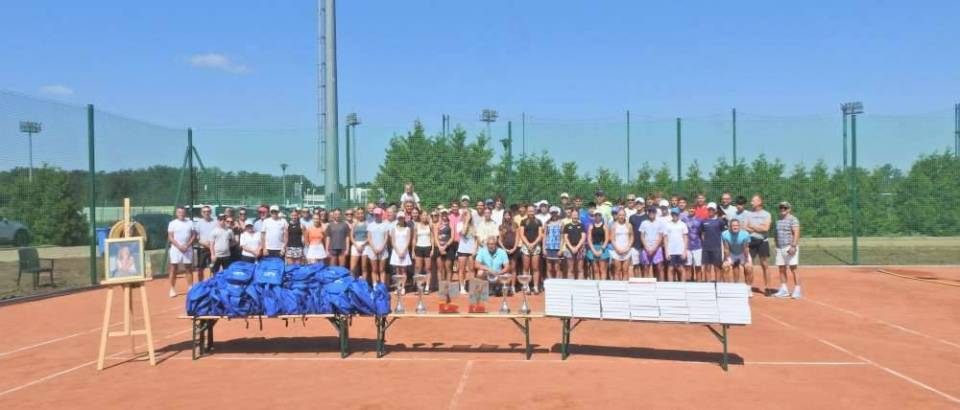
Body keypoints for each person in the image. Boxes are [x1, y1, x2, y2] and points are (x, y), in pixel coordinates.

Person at [743, 194, 773, 295]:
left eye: (753, 201)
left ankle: (768, 288)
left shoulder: (767, 214)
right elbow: (745, 227)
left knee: (764, 264)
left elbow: (766, 228)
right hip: (751, 241)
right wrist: (759, 227)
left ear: (759, 202)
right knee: (748, 264)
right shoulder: (748, 214)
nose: (751, 202)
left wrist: (752, 227)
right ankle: (748, 287)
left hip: (763, 241)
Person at [774, 201, 802, 298]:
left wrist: (793, 246)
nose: (782, 209)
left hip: (790, 247)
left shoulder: (793, 219)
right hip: (780, 248)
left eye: (785, 208)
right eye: (781, 207)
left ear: (789, 209)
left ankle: (797, 290)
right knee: (781, 268)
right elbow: (776, 234)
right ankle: (784, 290)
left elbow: (796, 233)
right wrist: (776, 246)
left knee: (793, 268)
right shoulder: (778, 220)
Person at [167, 206, 196, 297]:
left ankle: (190, 288)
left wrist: (187, 245)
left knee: (188, 268)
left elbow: (193, 235)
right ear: (176, 213)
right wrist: (179, 246)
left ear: (185, 213)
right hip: (175, 249)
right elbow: (170, 237)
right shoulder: (172, 223)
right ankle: (172, 289)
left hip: (187, 249)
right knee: (173, 268)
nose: (181, 214)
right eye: (179, 212)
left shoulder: (190, 223)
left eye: (183, 212)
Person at [722, 219, 753, 294]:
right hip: (731, 253)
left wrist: (746, 260)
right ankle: (727, 289)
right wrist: (726, 259)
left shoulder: (745, 234)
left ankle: (748, 289)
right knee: (725, 266)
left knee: (748, 267)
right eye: (733, 225)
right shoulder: (724, 234)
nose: (735, 227)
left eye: (737, 225)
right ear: (730, 226)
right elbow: (726, 248)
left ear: (740, 226)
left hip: (742, 253)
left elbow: (746, 248)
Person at [519, 206, 544, 294]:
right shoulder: (523, 221)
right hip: (526, 246)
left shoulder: (539, 221)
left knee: (535, 268)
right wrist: (528, 244)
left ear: (535, 212)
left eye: (532, 211)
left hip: (536, 246)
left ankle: (535, 287)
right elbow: (521, 234)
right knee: (526, 268)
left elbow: (540, 235)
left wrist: (533, 244)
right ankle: (526, 287)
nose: (531, 212)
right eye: (529, 211)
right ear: (527, 212)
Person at [700, 202, 727, 282]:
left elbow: (724, 234)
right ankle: (708, 285)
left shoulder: (720, 221)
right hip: (706, 248)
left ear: (715, 210)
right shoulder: (703, 221)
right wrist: (704, 243)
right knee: (707, 268)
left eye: (712, 209)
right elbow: (702, 233)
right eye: (709, 209)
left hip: (717, 248)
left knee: (717, 267)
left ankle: (717, 285)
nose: (710, 211)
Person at [389, 212, 413, 292]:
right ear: (397, 219)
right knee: (397, 271)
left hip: (404, 251)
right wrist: (398, 252)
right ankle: (398, 287)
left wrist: (403, 251)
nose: (400, 219)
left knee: (404, 270)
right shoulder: (393, 229)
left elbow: (408, 241)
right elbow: (393, 242)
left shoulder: (408, 229)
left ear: (404, 219)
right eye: (399, 218)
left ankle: (403, 287)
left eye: (402, 218)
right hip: (396, 251)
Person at [663, 208, 689, 281]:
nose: (674, 215)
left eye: (676, 214)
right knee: (670, 268)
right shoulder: (667, 224)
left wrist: (684, 251)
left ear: (679, 214)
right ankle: (671, 286)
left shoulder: (683, 224)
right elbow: (665, 238)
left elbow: (685, 238)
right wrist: (666, 252)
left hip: (680, 251)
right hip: (670, 251)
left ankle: (683, 285)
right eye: (673, 214)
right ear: (671, 214)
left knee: (681, 268)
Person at [366, 208, 390, 284]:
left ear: (381, 215)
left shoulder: (385, 225)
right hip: (372, 250)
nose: (377, 216)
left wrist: (382, 248)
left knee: (382, 269)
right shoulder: (370, 225)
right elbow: (369, 238)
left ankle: (382, 285)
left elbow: (386, 237)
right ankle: (375, 285)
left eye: (378, 214)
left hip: (383, 250)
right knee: (374, 270)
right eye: (375, 214)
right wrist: (374, 249)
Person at [456, 210, 477, 294]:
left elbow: (476, 239)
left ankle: (471, 287)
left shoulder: (473, 225)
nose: (467, 216)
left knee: (471, 269)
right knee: (462, 269)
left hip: (471, 250)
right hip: (462, 250)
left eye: (468, 215)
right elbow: (463, 233)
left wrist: (475, 249)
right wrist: (467, 222)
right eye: (465, 214)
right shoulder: (459, 224)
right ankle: (462, 287)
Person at [639, 206, 663, 280]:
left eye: (653, 212)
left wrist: (654, 248)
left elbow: (660, 237)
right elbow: (642, 236)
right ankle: (646, 284)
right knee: (646, 267)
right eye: (650, 212)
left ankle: (660, 284)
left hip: (657, 248)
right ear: (648, 213)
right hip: (646, 248)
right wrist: (647, 248)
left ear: (655, 213)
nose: (651, 213)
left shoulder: (660, 223)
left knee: (659, 267)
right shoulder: (644, 223)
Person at [498, 210, 520, 292]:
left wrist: (514, 248)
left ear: (511, 216)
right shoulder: (501, 226)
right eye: (506, 215)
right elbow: (500, 240)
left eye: (509, 215)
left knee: (513, 268)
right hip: (504, 249)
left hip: (514, 249)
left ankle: (513, 286)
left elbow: (517, 237)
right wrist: (504, 249)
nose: (507, 217)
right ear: (503, 216)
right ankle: (505, 285)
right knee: (505, 268)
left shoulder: (515, 225)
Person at [609, 209, 634, 281]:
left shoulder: (629, 225)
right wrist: (617, 249)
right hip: (617, 250)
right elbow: (612, 239)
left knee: (625, 270)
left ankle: (625, 286)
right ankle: (617, 286)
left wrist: (627, 248)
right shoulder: (614, 225)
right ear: (617, 216)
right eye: (620, 215)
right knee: (617, 270)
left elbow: (631, 237)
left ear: (625, 215)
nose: (621, 217)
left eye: (623, 215)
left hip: (627, 250)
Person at [194, 206, 217, 281]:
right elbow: (196, 237)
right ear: (202, 213)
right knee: (200, 269)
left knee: (214, 268)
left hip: (213, 249)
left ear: (210, 212)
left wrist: (211, 245)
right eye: (204, 211)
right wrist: (204, 243)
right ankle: (200, 284)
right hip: (202, 249)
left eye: (208, 211)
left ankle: (214, 284)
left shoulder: (215, 222)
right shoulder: (199, 223)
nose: (206, 213)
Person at [413, 211, 434, 293]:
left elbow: (432, 238)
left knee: (428, 268)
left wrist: (432, 249)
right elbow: (414, 238)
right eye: (423, 215)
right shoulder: (416, 225)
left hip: (428, 248)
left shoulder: (430, 226)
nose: (424, 217)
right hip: (418, 248)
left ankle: (427, 287)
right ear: (420, 216)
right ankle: (418, 286)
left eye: (426, 215)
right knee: (418, 268)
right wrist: (413, 250)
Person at [585, 210, 609, 280]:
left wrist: (601, 250)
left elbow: (606, 239)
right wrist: (594, 250)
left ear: (601, 216)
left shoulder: (605, 226)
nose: (597, 217)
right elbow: (589, 239)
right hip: (593, 248)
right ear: (594, 216)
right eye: (596, 215)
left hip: (602, 248)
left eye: (599, 215)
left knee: (602, 269)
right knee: (595, 270)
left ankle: (603, 285)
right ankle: (596, 285)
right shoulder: (591, 226)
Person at [435, 208, 455, 287]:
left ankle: (448, 287)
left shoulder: (450, 224)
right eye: (442, 214)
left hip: (448, 248)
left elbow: (452, 237)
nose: (444, 215)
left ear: (447, 214)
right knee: (440, 269)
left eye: (445, 214)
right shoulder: (438, 224)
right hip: (439, 248)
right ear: (441, 214)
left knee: (448, 268)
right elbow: (436, 237)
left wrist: (445, 246)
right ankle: (441, 287)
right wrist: (440, 247)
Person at [562, 211, 586, 279]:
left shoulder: (582, 225)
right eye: (573, 215)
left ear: (578, 216)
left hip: (580, 248)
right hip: (569, 248)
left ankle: (580, 284)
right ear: (571, 216)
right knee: (570, 269)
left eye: (576, 215)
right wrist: (572, 248)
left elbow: (583, 237)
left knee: (580, 269)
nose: (575, 216)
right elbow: (565, 238)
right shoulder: (567, 226)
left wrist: (577, 247)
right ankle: (570, 285)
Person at [543, 207, 564, 280]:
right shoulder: (547, 223)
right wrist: (544, 248)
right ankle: (550, 282)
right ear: (550, 213)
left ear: (557, 213)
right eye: (552, 213)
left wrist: (561, 249)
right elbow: (545, 236)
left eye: (555, 213)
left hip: (557, 248)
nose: (554, 214)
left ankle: (557, 283)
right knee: (549, 267)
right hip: (548, 247)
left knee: (557, 267)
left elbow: (562, 237)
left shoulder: (561, 223)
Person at [349, 207, 370, 282]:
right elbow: (351, 236)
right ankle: (352, 283)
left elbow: (369, 237)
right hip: (355, 245)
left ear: (364, 214)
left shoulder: (367, 224)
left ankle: (363, 284)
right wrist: (356, 245)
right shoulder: (354, 224)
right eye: (359, 213)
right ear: (357, 214)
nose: (360, 215)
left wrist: (363, 245)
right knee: (352, 268)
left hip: (365, 245)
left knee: (364, 268)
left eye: (362, 213)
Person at [684, 206, 704, 281]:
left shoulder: (700, 220)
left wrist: (703, 244)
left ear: (695, 210)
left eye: (693, 208)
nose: (691, 210)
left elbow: (702, 233)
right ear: (688, 210)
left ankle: (699, 283)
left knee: (698, 266)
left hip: (698, 246)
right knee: (688, 266)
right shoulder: (684, 220)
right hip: (687, 246)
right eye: (690, 208)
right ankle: (689, 282)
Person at [628, 201, 646, 276]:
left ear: (643, 205)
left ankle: (644, 281)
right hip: (634, 245)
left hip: (644, 246)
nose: (638, 205)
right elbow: (630, 231)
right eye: (637, 204)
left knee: (644, 266)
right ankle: (636, 281)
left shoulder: (647, 216)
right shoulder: (631, 217)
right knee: (635, 265)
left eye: (640, 204)